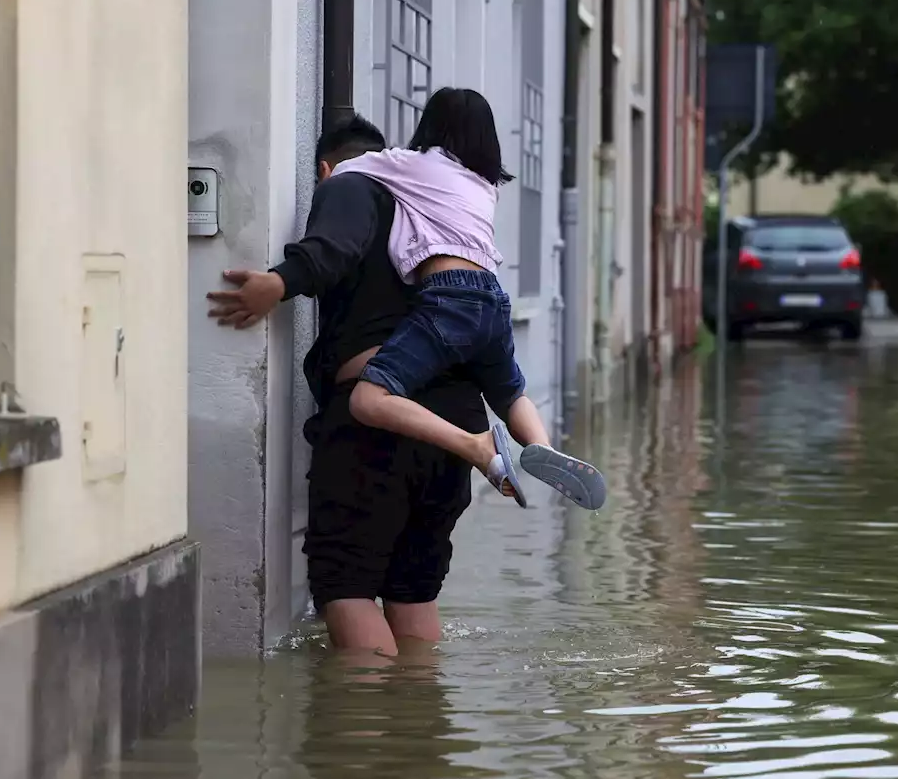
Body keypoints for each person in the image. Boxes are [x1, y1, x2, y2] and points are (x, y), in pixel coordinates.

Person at [206, 114, 488, 655]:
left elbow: (336, 246)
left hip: (379, 423)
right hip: (457, 420)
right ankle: (417, 726)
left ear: (325, 169)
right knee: (413, 589)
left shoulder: (351, 182)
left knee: (347, 584)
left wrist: (279, 282)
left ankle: (361, 735)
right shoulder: (434, 205)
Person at [330, 88, 605, 511]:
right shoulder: (485, 187)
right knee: (510, 394)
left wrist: (328, 183)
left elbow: (350, 169)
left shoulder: (412, 164)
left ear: (432, 127)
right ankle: (542, 446)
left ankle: (476, 445)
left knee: (366, 400)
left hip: (449, 298)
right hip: (492, 300)